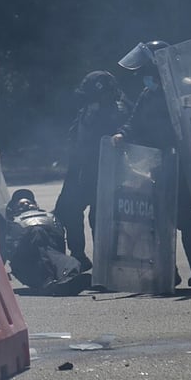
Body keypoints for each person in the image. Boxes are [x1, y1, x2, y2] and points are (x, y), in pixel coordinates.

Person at [112, 40, 191, 287]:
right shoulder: (149, 94)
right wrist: (122, 135)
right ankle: (169, 273)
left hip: (182, 166)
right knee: (158, 221)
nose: (141, 76)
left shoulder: (183, 90)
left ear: (156, 66)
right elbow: (134, 122)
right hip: (157, 166)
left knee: (186, 221)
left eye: (145, 70)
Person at [53, 71, 130, 272]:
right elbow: (75, 137)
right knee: (68, 211)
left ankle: (105, 262)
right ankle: (78, 256)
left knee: (100, 217)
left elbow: (125, 139)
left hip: (106, 173)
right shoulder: (87, 110)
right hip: (81, 173)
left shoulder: (119, 111)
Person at [3, 189, 89, 295]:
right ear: (14, 209)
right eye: (21, 204)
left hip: (51, 253)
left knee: (71, 262)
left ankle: (68, 281)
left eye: (29, 202)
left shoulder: (51, 217)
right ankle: (47, 282)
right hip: (27, 264)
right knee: (37, 232)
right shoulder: (9, 224)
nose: (26, 204)